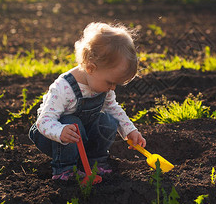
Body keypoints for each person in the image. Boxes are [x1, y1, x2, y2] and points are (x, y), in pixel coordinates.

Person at [29, 22, 146, 180]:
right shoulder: (63, 88)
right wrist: (60, 132)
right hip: (52, 137)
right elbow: (43, 122)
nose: (112, 88)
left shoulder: (101, 85)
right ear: (91, 68)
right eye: (110, 82)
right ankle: (65, 169)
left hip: (82, 136)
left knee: (108, 121)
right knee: (72, 122)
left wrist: (130, 131)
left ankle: (94, 162)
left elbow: (114, 109)